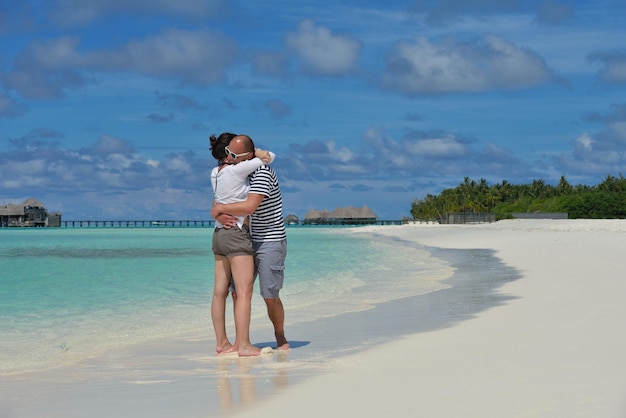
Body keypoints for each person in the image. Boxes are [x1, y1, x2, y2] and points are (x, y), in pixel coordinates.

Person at [211, 135, 289, 350]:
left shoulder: (262, 172)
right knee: (237, 291)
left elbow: (249, 206)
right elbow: (223, 197)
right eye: (229, 154)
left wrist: (219, 210)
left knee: (269, 294)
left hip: (270, 239)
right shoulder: (237, 172)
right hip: (244, 237)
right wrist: (216, 211)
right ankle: (240, 341)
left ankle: (280, 335)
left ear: (248, 155)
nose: (230, 158)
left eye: (235, 155)